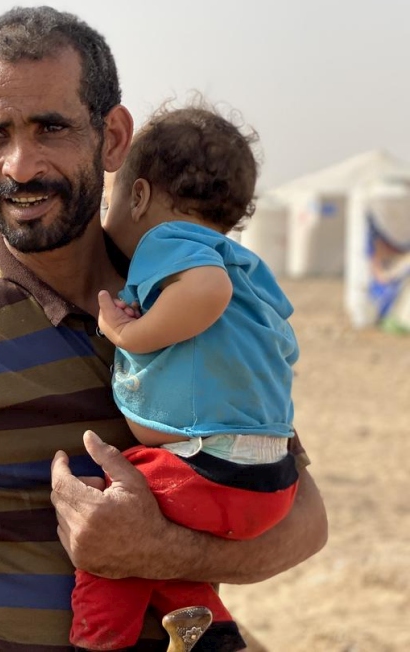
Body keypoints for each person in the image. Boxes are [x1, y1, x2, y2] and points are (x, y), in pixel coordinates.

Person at [0, 6, 327, 652]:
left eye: (51, 128)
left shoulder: (196, 305)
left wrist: (155, 550)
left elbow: (303, 521)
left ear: (112, 137)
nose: (21, 166)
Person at [68, 104, 300, 651]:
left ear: (141, 196)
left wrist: (128, 336)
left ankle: (98, 642)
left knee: (113, 533)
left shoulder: (168, 243)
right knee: (162, 546)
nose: (106, 216)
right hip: (269, 480)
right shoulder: (249, 270)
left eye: (111, 199)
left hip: (212, 467)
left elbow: (206, 292)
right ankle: (211, 631)